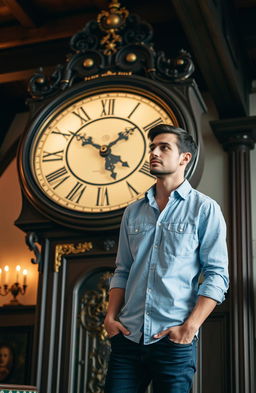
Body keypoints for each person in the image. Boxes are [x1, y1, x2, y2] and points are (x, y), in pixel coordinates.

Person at [104, 124, 229, 393]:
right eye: (152, 147)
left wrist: (189, 327)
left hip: (173, 341)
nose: (154, 153)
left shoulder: (204, 209)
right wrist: (110, 317)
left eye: (164, 147)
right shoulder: (133, 212)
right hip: (127, 338)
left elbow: (217, 275)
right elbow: (123, 270)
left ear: (185, 158)